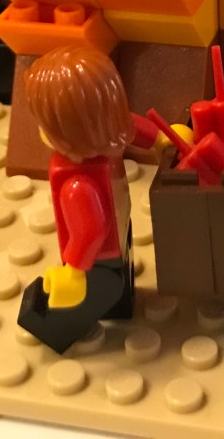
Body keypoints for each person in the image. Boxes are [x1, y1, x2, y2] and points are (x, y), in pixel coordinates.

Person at [17, 44, 136, 353]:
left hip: (97, 268)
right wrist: (162, 138)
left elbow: (89, 232)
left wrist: (73, 271)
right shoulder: (109, 139)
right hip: (122, 240)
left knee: (45, 319)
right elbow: (136, 125)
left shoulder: (77, 185)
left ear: (68, 130)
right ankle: (120, 307)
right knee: (120, 291)